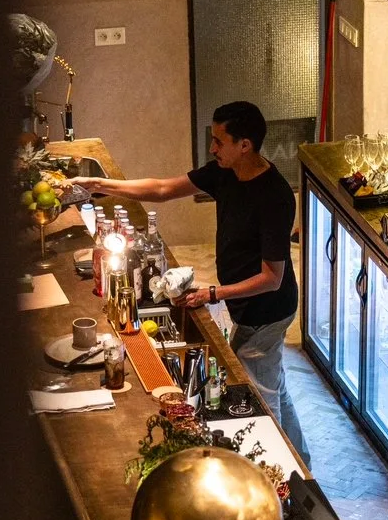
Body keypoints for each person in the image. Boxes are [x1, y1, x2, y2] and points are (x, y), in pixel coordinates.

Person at [72, 101, 310, 464]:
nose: (212, 148)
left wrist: (212, 293)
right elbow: (164, 189)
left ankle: (275, 479)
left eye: (218, 140)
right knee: (271, 382)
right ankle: (302, 466)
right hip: (248, 308)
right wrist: (99, 184)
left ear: (244, 145)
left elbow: (271, 278)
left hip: (267, 310)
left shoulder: (274, 196)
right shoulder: (225, 172)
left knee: (257, 399)